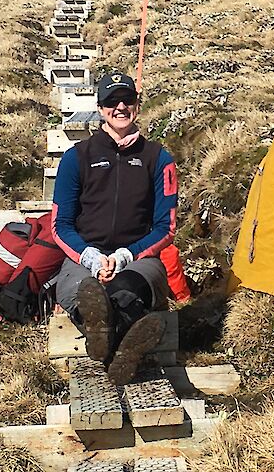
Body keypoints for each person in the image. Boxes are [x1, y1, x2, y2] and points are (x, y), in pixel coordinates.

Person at [50, 70, 181, 384]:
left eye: (127, 99)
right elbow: (60, 225)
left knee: (129, 289)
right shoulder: (75, 158)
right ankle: (123, 348)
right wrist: (91, 258)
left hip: (139, 258)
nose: (120, 107)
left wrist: (126, 256)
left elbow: (167, 227)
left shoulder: (159, 159)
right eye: (111, 101)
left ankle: (106, 341)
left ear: (137, 104)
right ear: (99, 108)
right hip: (83, 257)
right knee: (80, 291)